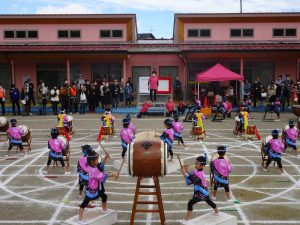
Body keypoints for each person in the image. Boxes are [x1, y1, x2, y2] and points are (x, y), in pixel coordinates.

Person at [78, 151, 119, 225]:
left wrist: (105, 157)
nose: (98, 160)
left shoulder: (90, 166)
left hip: (96, 187)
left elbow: (101, 165)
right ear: (92, 161)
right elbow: (102, 176)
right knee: (84, 204)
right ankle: (80, 219)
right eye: (97, 159)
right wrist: (113, 174)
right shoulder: (93, 170)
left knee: (104, 196)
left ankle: (104, 209)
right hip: (91, 190)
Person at [180, 155, 219, 223]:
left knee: (190, 203)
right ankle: (217, 211)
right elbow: (191, 175)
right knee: (209, 201)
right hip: (204, 191)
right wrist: (186, 171)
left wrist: (183, 172)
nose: (195, 164)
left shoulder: (199, 174)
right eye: (195, 162)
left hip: (200, 193)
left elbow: (189, 179)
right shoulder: (197, 171)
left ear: (202, 166)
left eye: (197, 163)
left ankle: (187, 220)